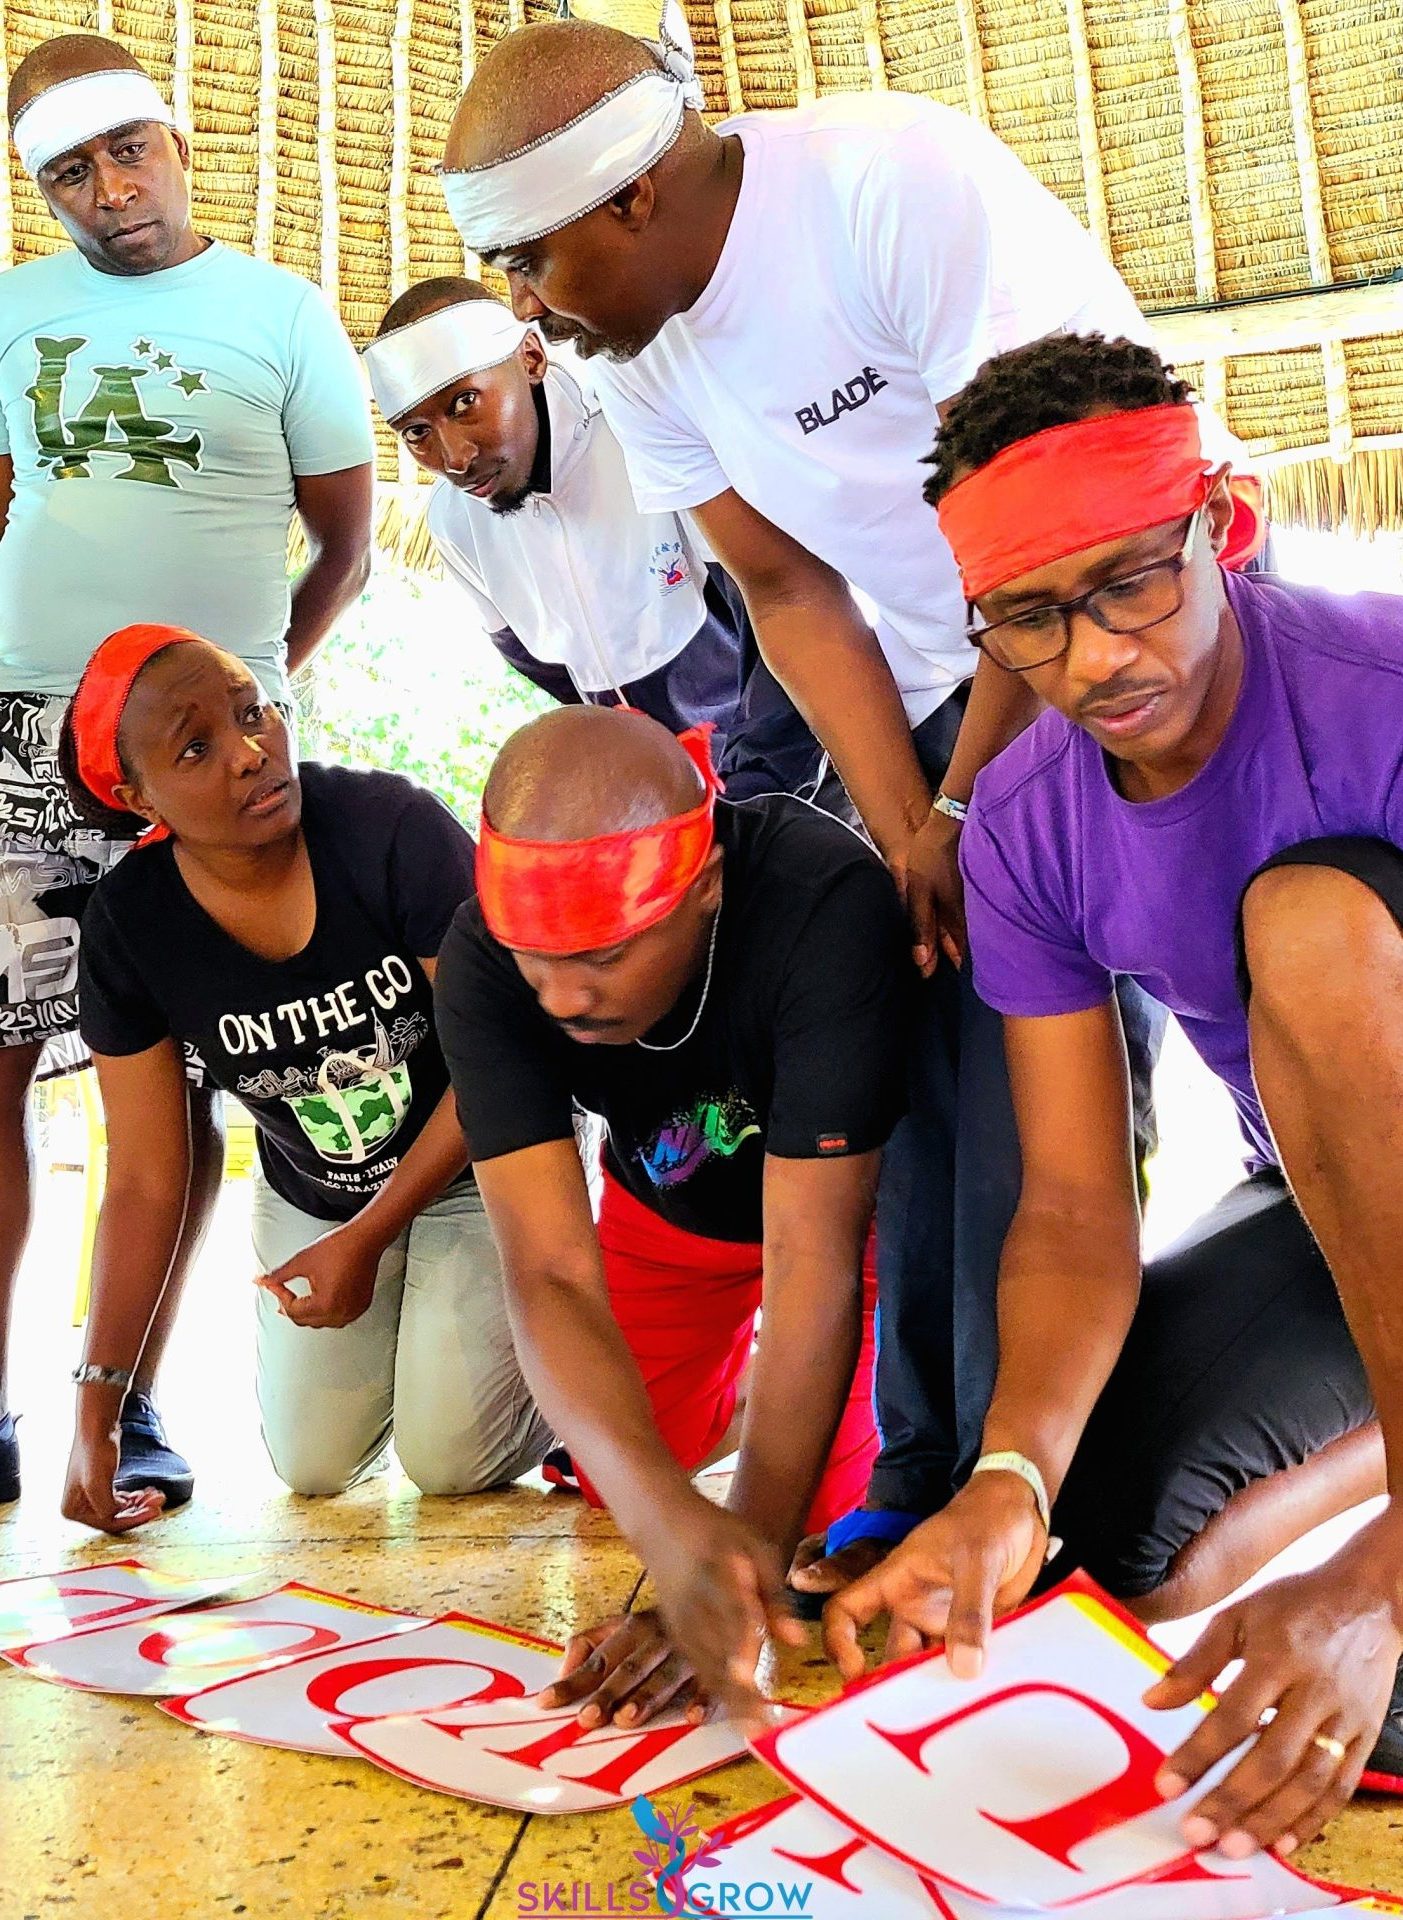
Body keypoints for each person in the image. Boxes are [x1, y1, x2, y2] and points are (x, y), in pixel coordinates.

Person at [438, 16, 1256, 1585]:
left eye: (529, 263)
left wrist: (966, 813)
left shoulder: (890, 189)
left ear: (630, 197)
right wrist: (907, 834)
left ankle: (1024, 1492)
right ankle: (920, 1473)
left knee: (1034, 1085)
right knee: (920, 1032)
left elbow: (1042, 538)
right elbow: (787, 589)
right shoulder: (637, 353)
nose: (525, 310)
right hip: (946, 691)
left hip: (1124, 633)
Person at [826, 332, 1403, 1845]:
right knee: (1082, 1545)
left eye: (1129, 583)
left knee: (1310, 924)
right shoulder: (1026, 825)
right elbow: (1075, 1207)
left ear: (1217, 523)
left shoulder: (1383, 689)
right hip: (1343, 1204)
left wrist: (1372, 1584)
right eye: (1026, 617)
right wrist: (1003, 1480)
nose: (1089, 661)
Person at [0, 34, 375, 1507]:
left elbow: (343, 544)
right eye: (71, 174)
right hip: (23, 731)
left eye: (128, 152)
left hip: (209, 760)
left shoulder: (280, 313)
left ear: (174, 139)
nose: (110, 191)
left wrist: (241, 703)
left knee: (187, 1076)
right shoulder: (14, 310)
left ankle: (131, 1406)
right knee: (1, 1068)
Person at [434, 704, 909, 1724]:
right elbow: (548, 1270)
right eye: (534, 960)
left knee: (827, 1536)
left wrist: (738, 1573)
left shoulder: (824, 901)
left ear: (704, 887)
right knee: (618, 1471)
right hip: (670, 1212)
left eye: (603, 958)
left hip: (850, 1231)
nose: (561, 998)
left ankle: (813, 1414)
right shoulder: (481, 959)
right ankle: (739, 1401)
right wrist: (666, 1526)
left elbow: (813, 1263)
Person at [57, 624, 549, 1532]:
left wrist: (370, 1237)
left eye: (253, 713)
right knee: (314, 1466)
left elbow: (502, 1062)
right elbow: (145, 1177)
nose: (251, 753)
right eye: (196, 748)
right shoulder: (131, 927)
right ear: (136, 796)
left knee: (450, 1459)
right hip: (317, 1192)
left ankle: (588, 1360)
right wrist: (98, 1414)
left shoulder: (388, 827)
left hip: (481, 1160)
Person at [364, 278, 822, 799]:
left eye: (465, 402)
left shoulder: (643, 429)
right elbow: (547, 671)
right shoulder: (455, 524)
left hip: (794, 763)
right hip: (658, 799)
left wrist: (753, 797)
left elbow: (780, 606)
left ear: (531, 358)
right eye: (417, 432)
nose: (455, 459)